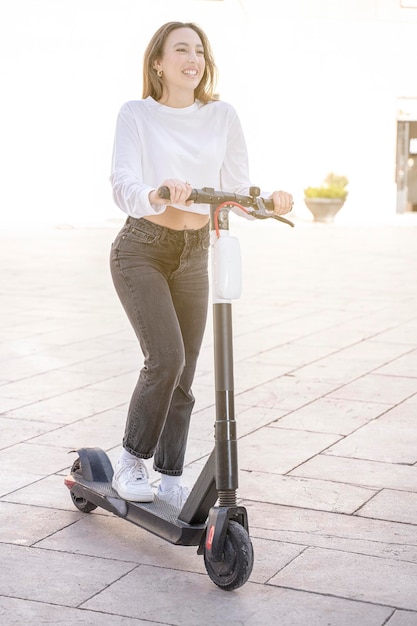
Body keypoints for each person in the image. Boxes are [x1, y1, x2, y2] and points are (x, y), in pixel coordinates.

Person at [109, 21, 293, 508]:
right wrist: (154, 192)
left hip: (195, 253)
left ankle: (170, 474)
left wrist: (268, 202)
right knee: (165, 358)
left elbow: (238, 188)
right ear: (158, 62)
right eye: (181, 50)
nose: (194, 58)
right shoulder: (136, 114)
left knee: (185, 371)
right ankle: (132, 459)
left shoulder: (222, 116)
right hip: (142, 247)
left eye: (200, 51)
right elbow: (122, 181)